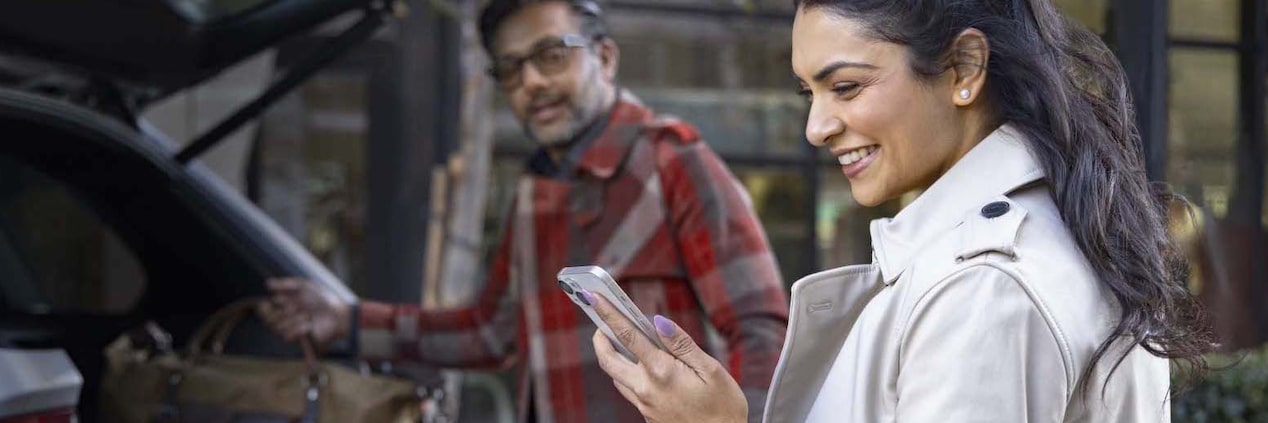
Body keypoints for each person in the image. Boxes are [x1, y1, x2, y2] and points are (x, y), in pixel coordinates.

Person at [586, 0, 1216, 421]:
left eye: (846, 87)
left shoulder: (984, 289)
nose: (816, 127)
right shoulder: (1022, 243)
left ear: (964, 67)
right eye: (809, 92)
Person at [256, 1, 790, 422]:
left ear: (605, 58)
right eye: (511, 69)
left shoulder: (674, 162)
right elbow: (491, 332)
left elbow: (760, 330)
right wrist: (345, 321)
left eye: (551, 55)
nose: (531, 82)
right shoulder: (534, 191)